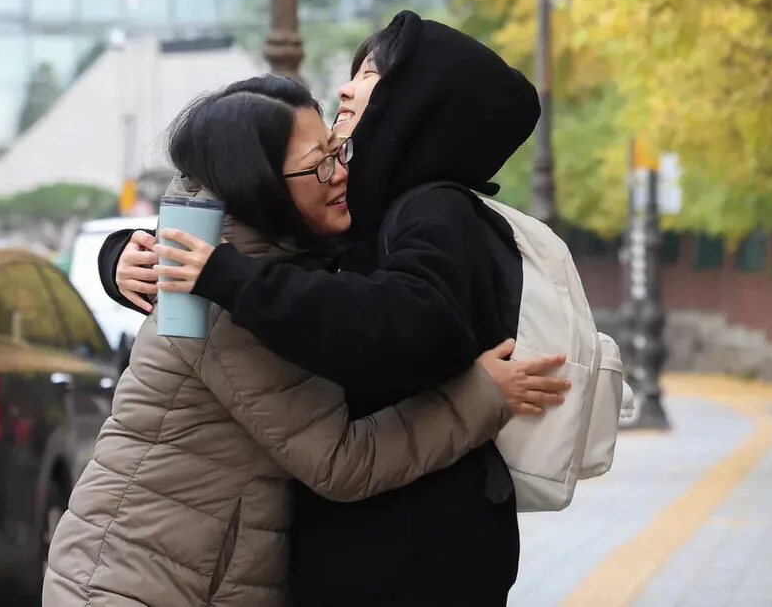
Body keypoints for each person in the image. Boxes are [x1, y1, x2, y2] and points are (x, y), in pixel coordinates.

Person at [43, 75, 560, 607]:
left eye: (338, 152)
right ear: (260, 183)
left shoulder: (257, 260)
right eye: (319, 165)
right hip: (133, 582)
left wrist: (117, 257)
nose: (340, 175)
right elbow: (341, 461)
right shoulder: (224, 296)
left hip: (188, 572)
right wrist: (480, 396)